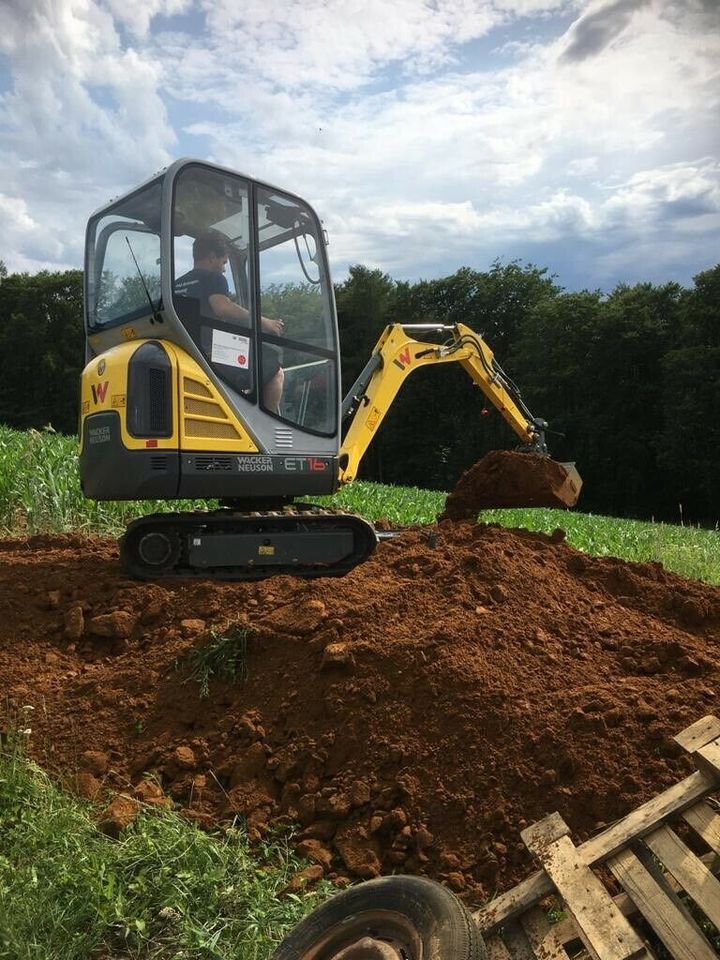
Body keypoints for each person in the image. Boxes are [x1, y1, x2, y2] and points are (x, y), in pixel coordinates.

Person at [174, 232, 285, 411]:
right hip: (212, 354)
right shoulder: (213, 278)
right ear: (211, 257)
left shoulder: (176, 285)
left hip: (187, 353)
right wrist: (265, 322)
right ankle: (270, 426)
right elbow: (223, 308)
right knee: (274, 368)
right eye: (223, 262)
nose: (224, 269)